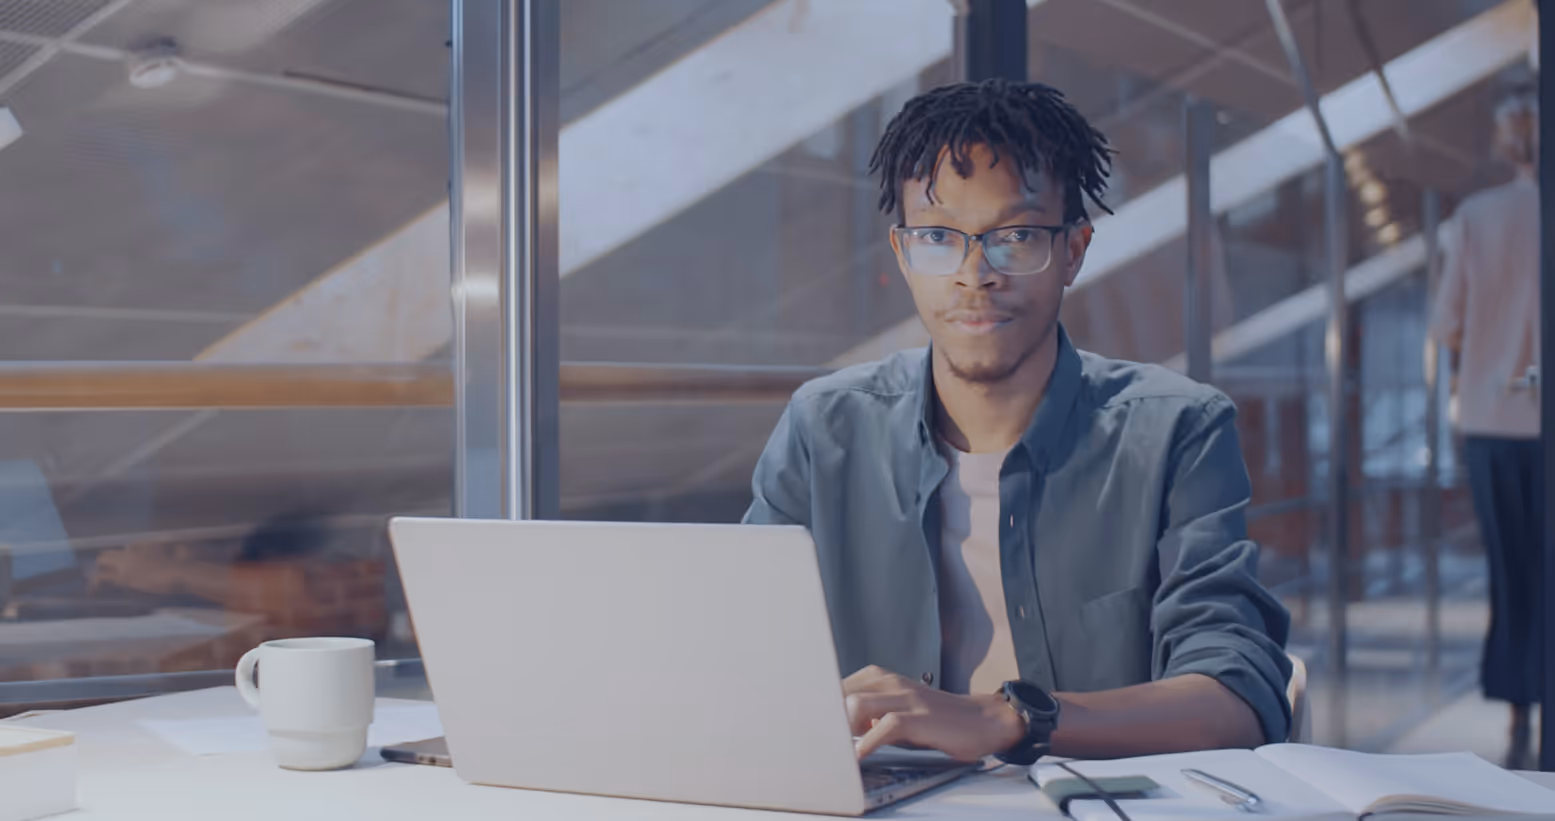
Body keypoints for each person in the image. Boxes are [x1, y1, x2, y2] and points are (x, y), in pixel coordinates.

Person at [744, 79, 1291, 764]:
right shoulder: (823, 429)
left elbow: (1236, 699)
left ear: (1073, 250)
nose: (975, 274)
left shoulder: (1176, 430)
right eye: (939, 237)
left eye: (1017, 235)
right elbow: (744, 659)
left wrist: (1007, 718)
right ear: (902, 253)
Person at [1429, 90, 1542, 770]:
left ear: (1505, 142)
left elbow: (1447, 325)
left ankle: (1516, 713)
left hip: (1493, 422)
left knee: (1510, 574)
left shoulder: (1474, 219)